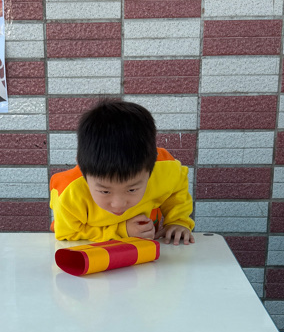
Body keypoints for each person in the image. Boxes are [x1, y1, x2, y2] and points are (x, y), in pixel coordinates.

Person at [50, 99, 194, 244]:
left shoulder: (164, 169)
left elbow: (177, 187)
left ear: (151, 169)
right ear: (83, 170)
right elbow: (67, 232)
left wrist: (178, 221)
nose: (118, 204)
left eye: (132, 189)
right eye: (105, 191)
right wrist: (121, 231)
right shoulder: (69, 194)